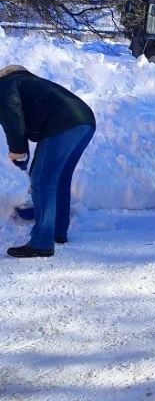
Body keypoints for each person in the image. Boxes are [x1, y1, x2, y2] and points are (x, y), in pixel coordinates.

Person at [0, 65, 96, 258]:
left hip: (64, 123)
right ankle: (58, 231)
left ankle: (41, 243)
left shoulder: (4, 86)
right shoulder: (26, 82)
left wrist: (18, 150)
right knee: (59, 179)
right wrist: (22, 151)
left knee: (42, 180)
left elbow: (12, 112)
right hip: (85, 120)